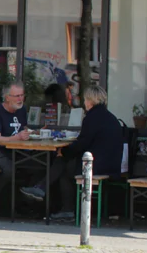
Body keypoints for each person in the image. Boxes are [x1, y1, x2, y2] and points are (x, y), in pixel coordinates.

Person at [22, 85, 125, 220]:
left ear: (90, 100)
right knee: (65, 162)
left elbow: (82, 144)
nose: (84, 103)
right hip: (111, 165)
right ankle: (43, 190)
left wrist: (63, 151)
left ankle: (53, 198)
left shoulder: (92, 117)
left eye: (85, 100)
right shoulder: (110, 117)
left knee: (64, 166)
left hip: (96, 166)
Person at [0, 81, 30, 207]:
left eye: (22, 95)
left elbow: (23, 129)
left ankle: (26, 202)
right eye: (17, 96)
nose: (20, 99)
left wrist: (31, 133)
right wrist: (17, 137)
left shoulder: (22, 110)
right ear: (7, 97)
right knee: (10, 169)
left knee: (37, 165)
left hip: (17, 151)